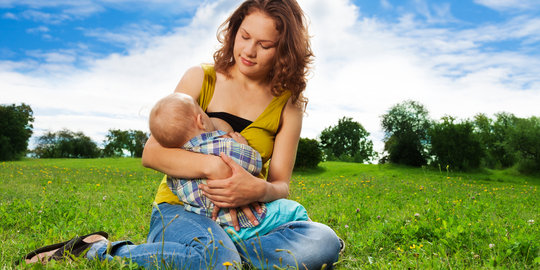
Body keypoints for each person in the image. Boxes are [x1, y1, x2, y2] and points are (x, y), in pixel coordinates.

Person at [22, 0, 342, 269]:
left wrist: (256, 188)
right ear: (234, 31)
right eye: (244, 36)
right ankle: (94, 249)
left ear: (284, 50)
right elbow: (153, 153)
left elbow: (281, 185)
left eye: (265, 45)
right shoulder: (201, 79)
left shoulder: (288, 105)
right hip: (180, 211)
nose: (249, 51)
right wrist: (213, 167)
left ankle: (213, 258)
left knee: (323, 240)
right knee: (222, 258)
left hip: (249, 219)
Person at [148, 92, 309, 241]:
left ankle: (222, 251)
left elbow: (176, 189)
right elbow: (253, 165)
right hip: (243, 222)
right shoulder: (222, 146)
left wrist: (260, 190)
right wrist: (243, 146)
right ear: (201, 120)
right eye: (203, 112)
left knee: (322, 243)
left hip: (208, 221)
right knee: (295, 211)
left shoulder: (176, 169)